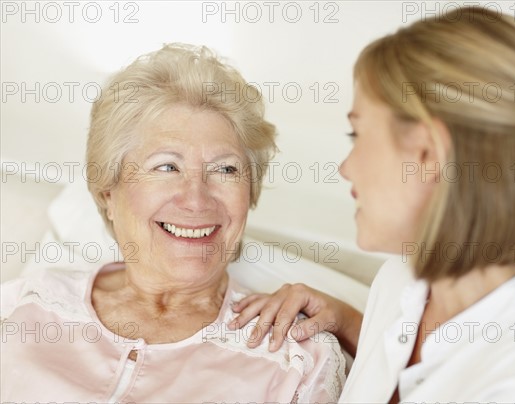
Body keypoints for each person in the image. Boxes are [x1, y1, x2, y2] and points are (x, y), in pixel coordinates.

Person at [228, 6, 515, 403]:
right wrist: (350, 323)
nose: (345, 168)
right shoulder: (404, 278)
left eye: (357, 135)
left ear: (429, 153)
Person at [0, 43, 345, 403]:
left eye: (225, 169)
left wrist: (350, 321)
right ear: (108, 194)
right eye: (167, 167)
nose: (196, 199)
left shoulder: (295, 356)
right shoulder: (28, 304)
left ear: (251, 193)